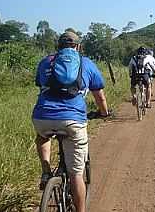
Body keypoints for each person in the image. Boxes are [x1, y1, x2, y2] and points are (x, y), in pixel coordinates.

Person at [32, 31, 110, 212]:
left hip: (42, 117)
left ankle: (45, 172)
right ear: (78, 46)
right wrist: (104, 113)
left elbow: (41, 85)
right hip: (72, 120)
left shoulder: (46, 62)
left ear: (58, 46)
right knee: (76, 175)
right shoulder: (86, 63)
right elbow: (99, 97)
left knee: (42, 137)